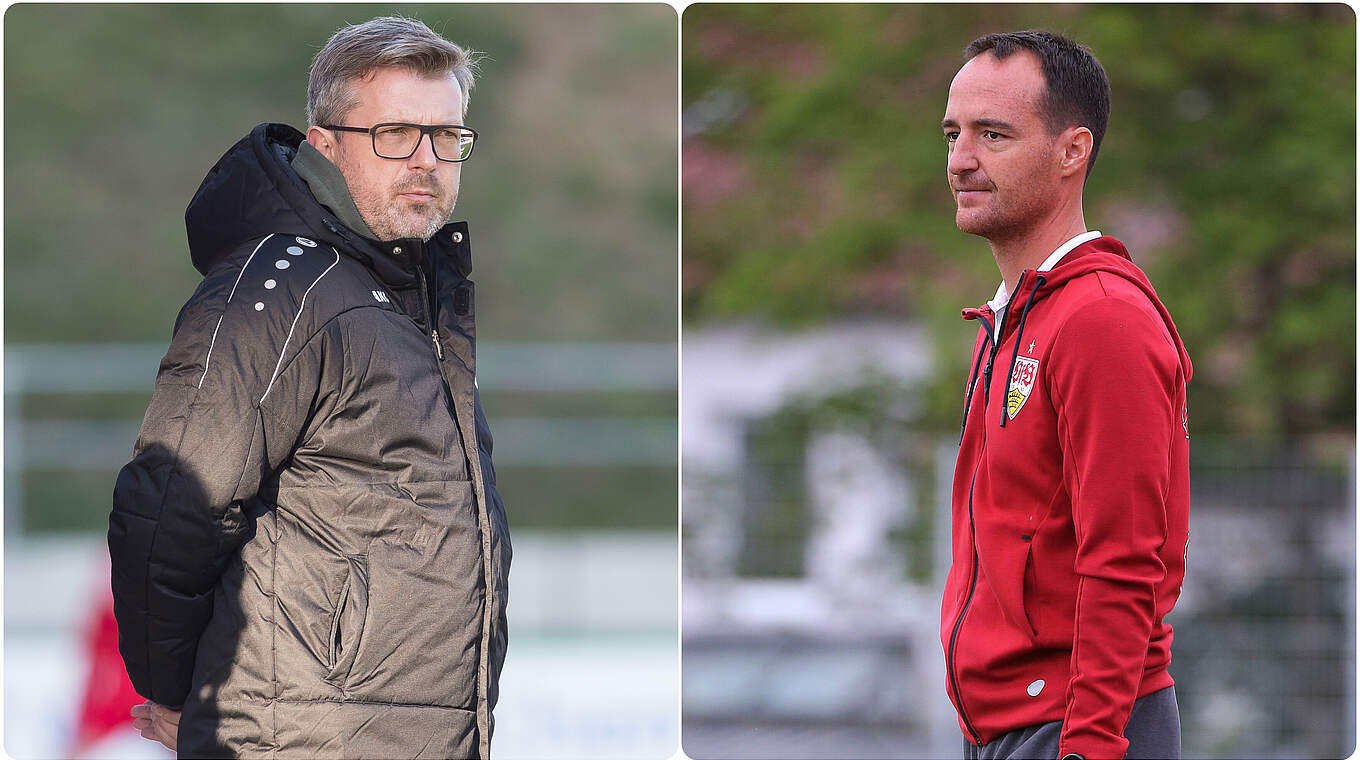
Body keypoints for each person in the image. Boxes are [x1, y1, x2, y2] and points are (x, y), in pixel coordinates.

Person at [108, 16, 510, 758]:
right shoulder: (281, 291)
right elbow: (169, 507)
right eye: (394, 133)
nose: (426, 159)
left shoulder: (411, 306)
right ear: (324, 143)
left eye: (446, 136)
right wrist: (179, 694)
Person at [938, 30, 1191, 760]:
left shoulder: (1102, 317)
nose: (961, 159)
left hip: (1081, 731)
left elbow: (1125, 561)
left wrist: (1089, 746)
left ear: (1072, 151)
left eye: (993, 134)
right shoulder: (1010, 319)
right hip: (1004, 730)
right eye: (953, 133)